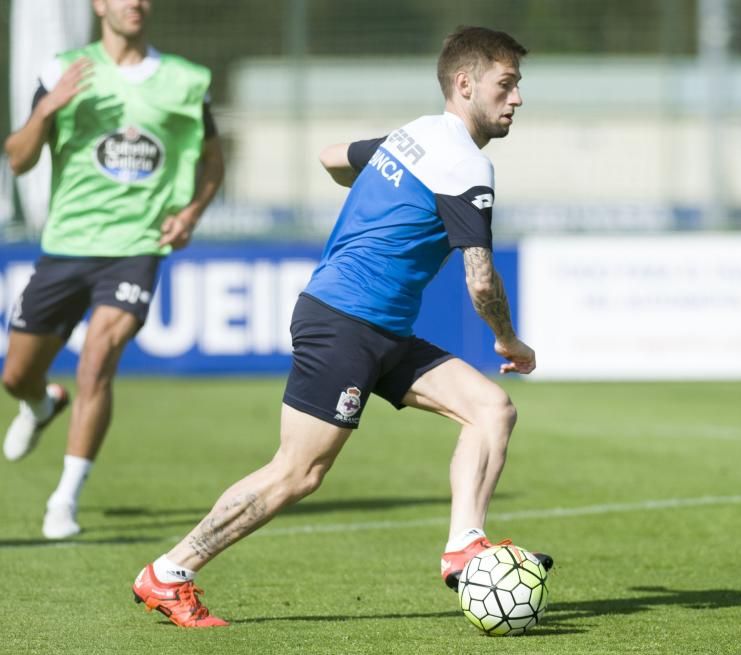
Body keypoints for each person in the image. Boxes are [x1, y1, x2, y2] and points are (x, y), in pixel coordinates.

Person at [131, 25, 552, 629]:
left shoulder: (415, 136)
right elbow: (481, 280)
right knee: (298, 471)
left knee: (491, 408)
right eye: (506, 85)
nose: (516, 99)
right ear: (465, 84)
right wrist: (508, 340)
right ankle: (169, 573)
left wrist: (383, 181)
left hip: (380, 328)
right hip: (345, 323)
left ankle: (465, 544)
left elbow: (332, 157)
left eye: (518, 87)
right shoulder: (465, 164)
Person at [2, 0, 224, 539]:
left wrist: (191, 212)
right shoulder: (62, 71)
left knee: (97, 360)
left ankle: (64, 500)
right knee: (14, 376)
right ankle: (40, 401)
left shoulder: (184, 80)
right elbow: (18, 158)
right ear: (100, 5)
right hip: (67, 246)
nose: (136, 4)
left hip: (136, 247)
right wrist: (45, 110)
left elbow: (212, 160)